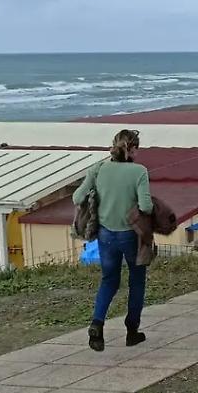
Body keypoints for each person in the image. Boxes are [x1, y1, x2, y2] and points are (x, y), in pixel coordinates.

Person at [73, 129, 153, 353]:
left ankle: (97, 324)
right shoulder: (139, 171)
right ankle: (132, 331)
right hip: (130, 234)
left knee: (109, 280)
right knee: (137, 280)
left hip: (106, 234)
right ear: (133, 149)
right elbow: (146, 206)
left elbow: (77, 197)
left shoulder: (98, 169)